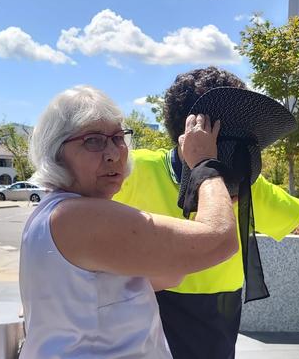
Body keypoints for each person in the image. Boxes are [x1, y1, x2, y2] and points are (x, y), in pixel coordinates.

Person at [113, 66, 299, 359]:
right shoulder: (132, 173)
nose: (234, 190)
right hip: (147, 308)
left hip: (218, 315)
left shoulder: (251, 186)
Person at [19, 85, 239, 358]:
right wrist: (206, 164)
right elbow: (219, 241)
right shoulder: (78, 217)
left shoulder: (57, 213)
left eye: (118, 138)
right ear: (56, 152)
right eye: (93, 140)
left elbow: (169, 274)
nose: (113, 153)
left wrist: (212, 202)